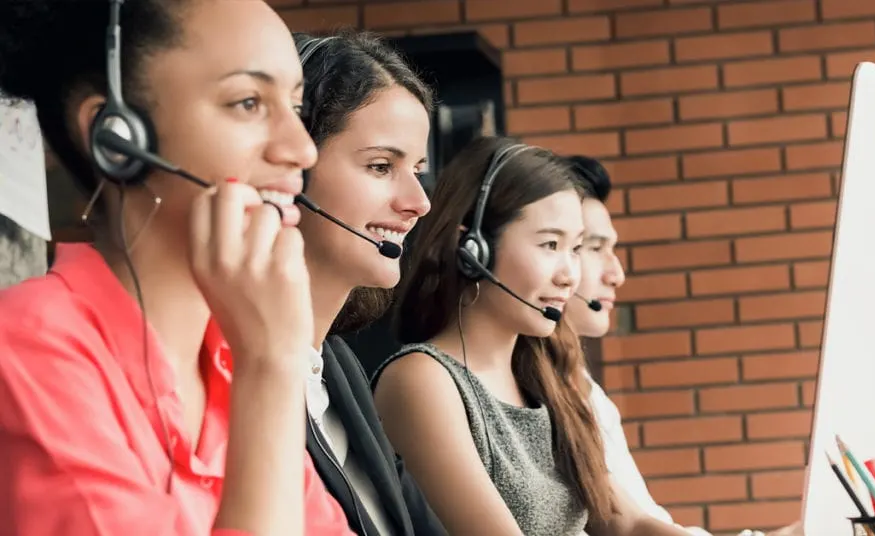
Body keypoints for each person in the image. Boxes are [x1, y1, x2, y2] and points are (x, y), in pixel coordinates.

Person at [0, 1, 354, 534]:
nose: (302, 149)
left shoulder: (230, 355)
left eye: (296, 107)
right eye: (248, 102)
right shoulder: (25, 347)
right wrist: (273, 367)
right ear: (116, 136)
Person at [368, 136, 701, 535]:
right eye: (549, 244)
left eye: (575, 248)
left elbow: (627, 524)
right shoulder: (422, 380)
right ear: (472, 250)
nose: (569, 274)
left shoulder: (543, 374)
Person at [562, 156, 790, 536]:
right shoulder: (537, 391)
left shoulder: (579, 385)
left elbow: (642, 521)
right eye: (594, 247)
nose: (616, 274)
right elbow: (631, 527)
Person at [293, 30, 447, 536]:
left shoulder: (338, 370)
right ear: (288, 173)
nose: (419, 202)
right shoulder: (228, 374)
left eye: (418, 169)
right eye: (382, 166)